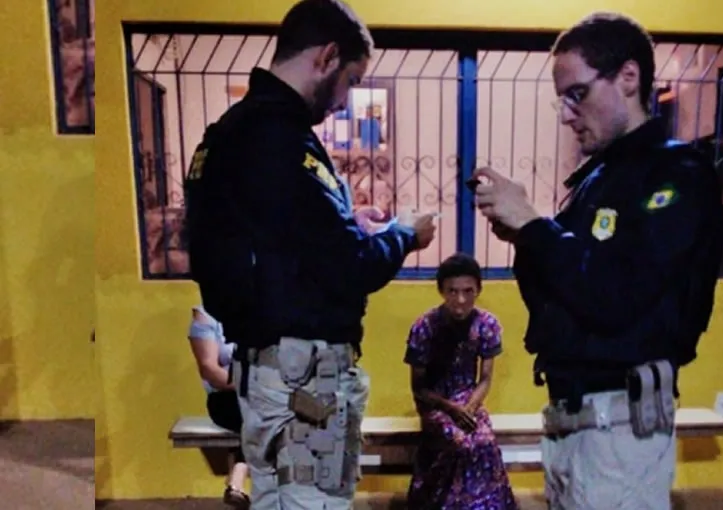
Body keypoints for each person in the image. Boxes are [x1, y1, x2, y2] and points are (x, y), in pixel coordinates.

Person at [181, 0, 438, 508]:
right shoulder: (282, 141)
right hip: (303, 382)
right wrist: (405, 234)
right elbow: (351, 268)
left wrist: (349, 224)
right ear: (326, 57)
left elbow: (274, 241)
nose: (344, 100)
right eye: (351, 80)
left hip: (262, 375)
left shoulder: (227, 133)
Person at [471, 12, 723, 510]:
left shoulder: (675, 174)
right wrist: (526, 237)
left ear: (628, 77)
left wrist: (535, 227)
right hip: (574, 421)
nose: (567, 114)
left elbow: (616, 296)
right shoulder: (599, 179)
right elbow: (558, 299)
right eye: (562, 99)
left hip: (620, 426)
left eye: (578, 94)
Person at [403, 253, 518, 510]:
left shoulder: (487, 324)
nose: (461, 299)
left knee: (485, 441)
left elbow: (485, 379)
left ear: (478, 290)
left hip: (470, 401)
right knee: (459, 443)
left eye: (468, 291)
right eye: (453, 291)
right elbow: (419, 388)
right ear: (442, 291)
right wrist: (451, 409)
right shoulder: (424, 327)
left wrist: (470, 407)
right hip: (436, 403)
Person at [186, 305, 250, 509]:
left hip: (261, 395)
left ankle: (235, 483)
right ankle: (237, 477)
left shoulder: (260, 308)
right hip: (226, 397)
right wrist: (252, 386)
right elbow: (209, 370)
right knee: (257, 415)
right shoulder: (205, 317)